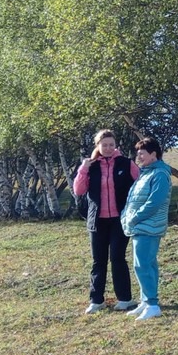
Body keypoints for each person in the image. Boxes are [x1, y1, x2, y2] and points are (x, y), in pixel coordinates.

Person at [73, 129, 141, 314]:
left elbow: (141, 185)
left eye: (111, 144)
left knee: (118, 258)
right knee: (98, 261)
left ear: (115, 145)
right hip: (97, 221)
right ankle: (96, 301)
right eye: (105, 145)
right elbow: (79, 190)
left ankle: (125, 299)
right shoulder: (91, 166)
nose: (108, 148)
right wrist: (83, 169)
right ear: (98, 146)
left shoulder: (126, 164)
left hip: (120, 220)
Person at [121, 137, 172, 321]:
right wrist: (126, 216)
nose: (139, 157)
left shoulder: (159, 175)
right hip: (140, 227)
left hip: (149, 227)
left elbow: (154, 202)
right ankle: (146, 301)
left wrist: (134, 217)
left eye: (142, 153)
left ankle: (152, 304)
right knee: (144, 264)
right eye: (138, 153)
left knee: (143, 264)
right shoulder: (147, 173)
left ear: (153, 154)